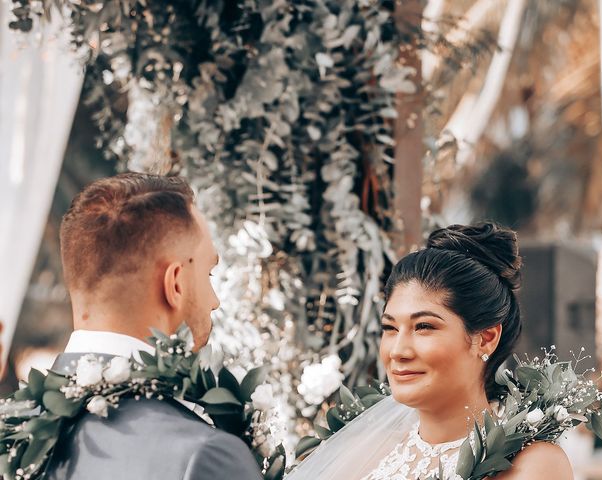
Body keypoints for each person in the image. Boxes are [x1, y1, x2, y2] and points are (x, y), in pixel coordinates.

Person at [287, 222, 573, 480]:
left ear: (485, 338)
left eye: (423, 327)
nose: (398, 351)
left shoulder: (533, 466)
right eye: (390, 328)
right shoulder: (364, 452)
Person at [47, 173, 261, 480]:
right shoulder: (200, 456)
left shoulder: (16, 436)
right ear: (175, 283)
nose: (214, 301)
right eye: (208, 275)